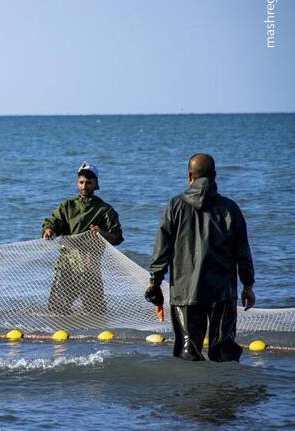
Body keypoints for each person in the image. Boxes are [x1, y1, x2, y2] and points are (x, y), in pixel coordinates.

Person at [145, 153, 256, 362]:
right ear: (215, 176)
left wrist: (154, 283)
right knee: (224, 352)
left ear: (190, 177)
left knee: (188, 350)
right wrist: (248, 285)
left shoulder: (174, 206)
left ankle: (190, 393)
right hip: (222, 292)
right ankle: (225, 392)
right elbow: (243, 252)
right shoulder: (230, 208)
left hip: (185, 292)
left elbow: (162, 251)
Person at [42, 162, 124, 314]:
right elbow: (53, 222)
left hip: (89, 266)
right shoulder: (67, 206)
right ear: (77, 182)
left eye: (88, 183)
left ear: (96, 184)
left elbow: (117, 237)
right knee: (57, 309)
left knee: (95, 311)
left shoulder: (105, 209)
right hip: (66, 264)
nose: (84, 186)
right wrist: (49, 230)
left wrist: (102, 233)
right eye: (81, 182)